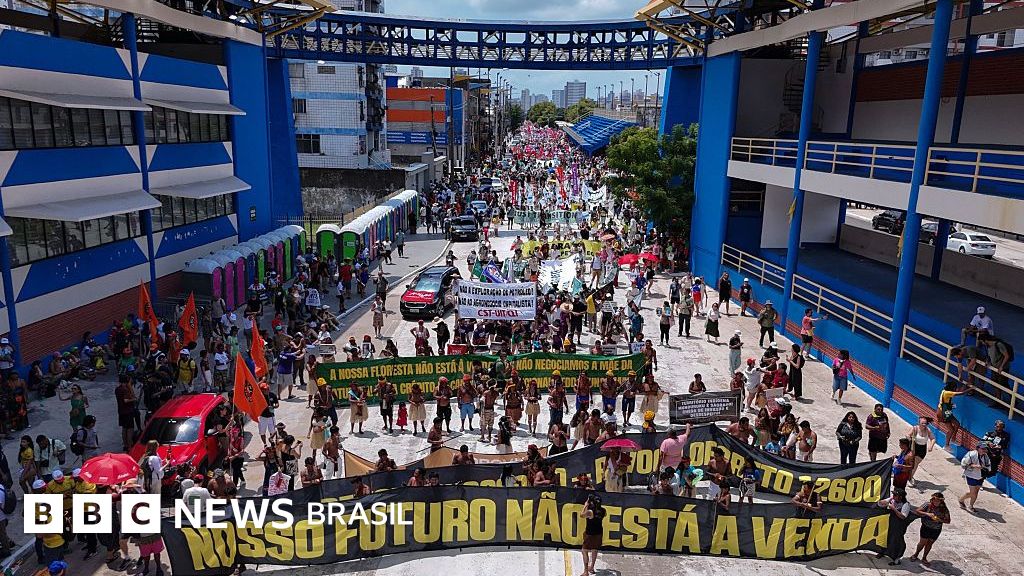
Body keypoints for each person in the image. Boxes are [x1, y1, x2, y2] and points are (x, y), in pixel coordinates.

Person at [909, 492, 950, 566]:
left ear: (941, 501)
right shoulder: (927, 505)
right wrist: (927, 514)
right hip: (926, 527)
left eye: (938, 501)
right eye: (934, 500)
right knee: (922, 542)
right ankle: (916, 554)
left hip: (936, 529)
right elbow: (917, 510)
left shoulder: (944, 508)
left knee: (930, 543)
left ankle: (924, 557)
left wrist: (939, 520)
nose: (936, 502)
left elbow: (948, 520)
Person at [875, 488, 912, 566]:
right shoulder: (892, 499)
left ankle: (896, 559)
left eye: (895, 495)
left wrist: (894, 509)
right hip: (889, 523)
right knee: (885, 537)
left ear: (900, 497)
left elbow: (903, 516)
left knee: (896, 541)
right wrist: (884, 502)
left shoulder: (906, 505)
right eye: (893, 494)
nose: (893, 496)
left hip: (899, 526)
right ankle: (882, 552)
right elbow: (879, 504)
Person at [958, 442, 990, 513]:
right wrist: (973, 466)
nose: (984, 450)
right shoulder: (971, 454)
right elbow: (963, 464)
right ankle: (961, 500)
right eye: (983, 449)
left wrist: (985, 468)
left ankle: (971, 506)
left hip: (980, 477)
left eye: (985, 449)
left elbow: (988, 465)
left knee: (976, 492)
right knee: (973, 493)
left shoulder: (986, 456)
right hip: (971, 476)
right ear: (978, 448)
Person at [937, 381, 970, 449]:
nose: (956, 389)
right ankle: (946, 445)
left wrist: (965, 385)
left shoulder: (944, 391)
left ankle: (953, 439)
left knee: (957, 424)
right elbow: (961, 393)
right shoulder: (948, 393)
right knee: (951, 430)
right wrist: (971, 389)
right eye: (955, 387)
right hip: (943, 413)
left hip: (946, 411)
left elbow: (959, 390)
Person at [579, 494, 605, 576]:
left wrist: (585, 505)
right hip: (599, 533)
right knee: (594, 550)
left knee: (584, 551)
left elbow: (582, 515)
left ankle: (586, 571)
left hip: (590, 534)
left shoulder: (590, 512)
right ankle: (592, 567)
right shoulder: (603, 510)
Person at [906, 417, 935, 486]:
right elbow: (907, 435)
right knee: (913, 463)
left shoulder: (928, 430)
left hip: (922, 449)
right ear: (919, 423)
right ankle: (909, 478)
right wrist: (910, 438)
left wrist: (931, 446)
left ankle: (909, 476)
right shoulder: (915, 428)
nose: (924, 425)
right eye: (922, 423)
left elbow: (933, 438)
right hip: (914, 447)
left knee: (916, 464)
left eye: (925, 423)